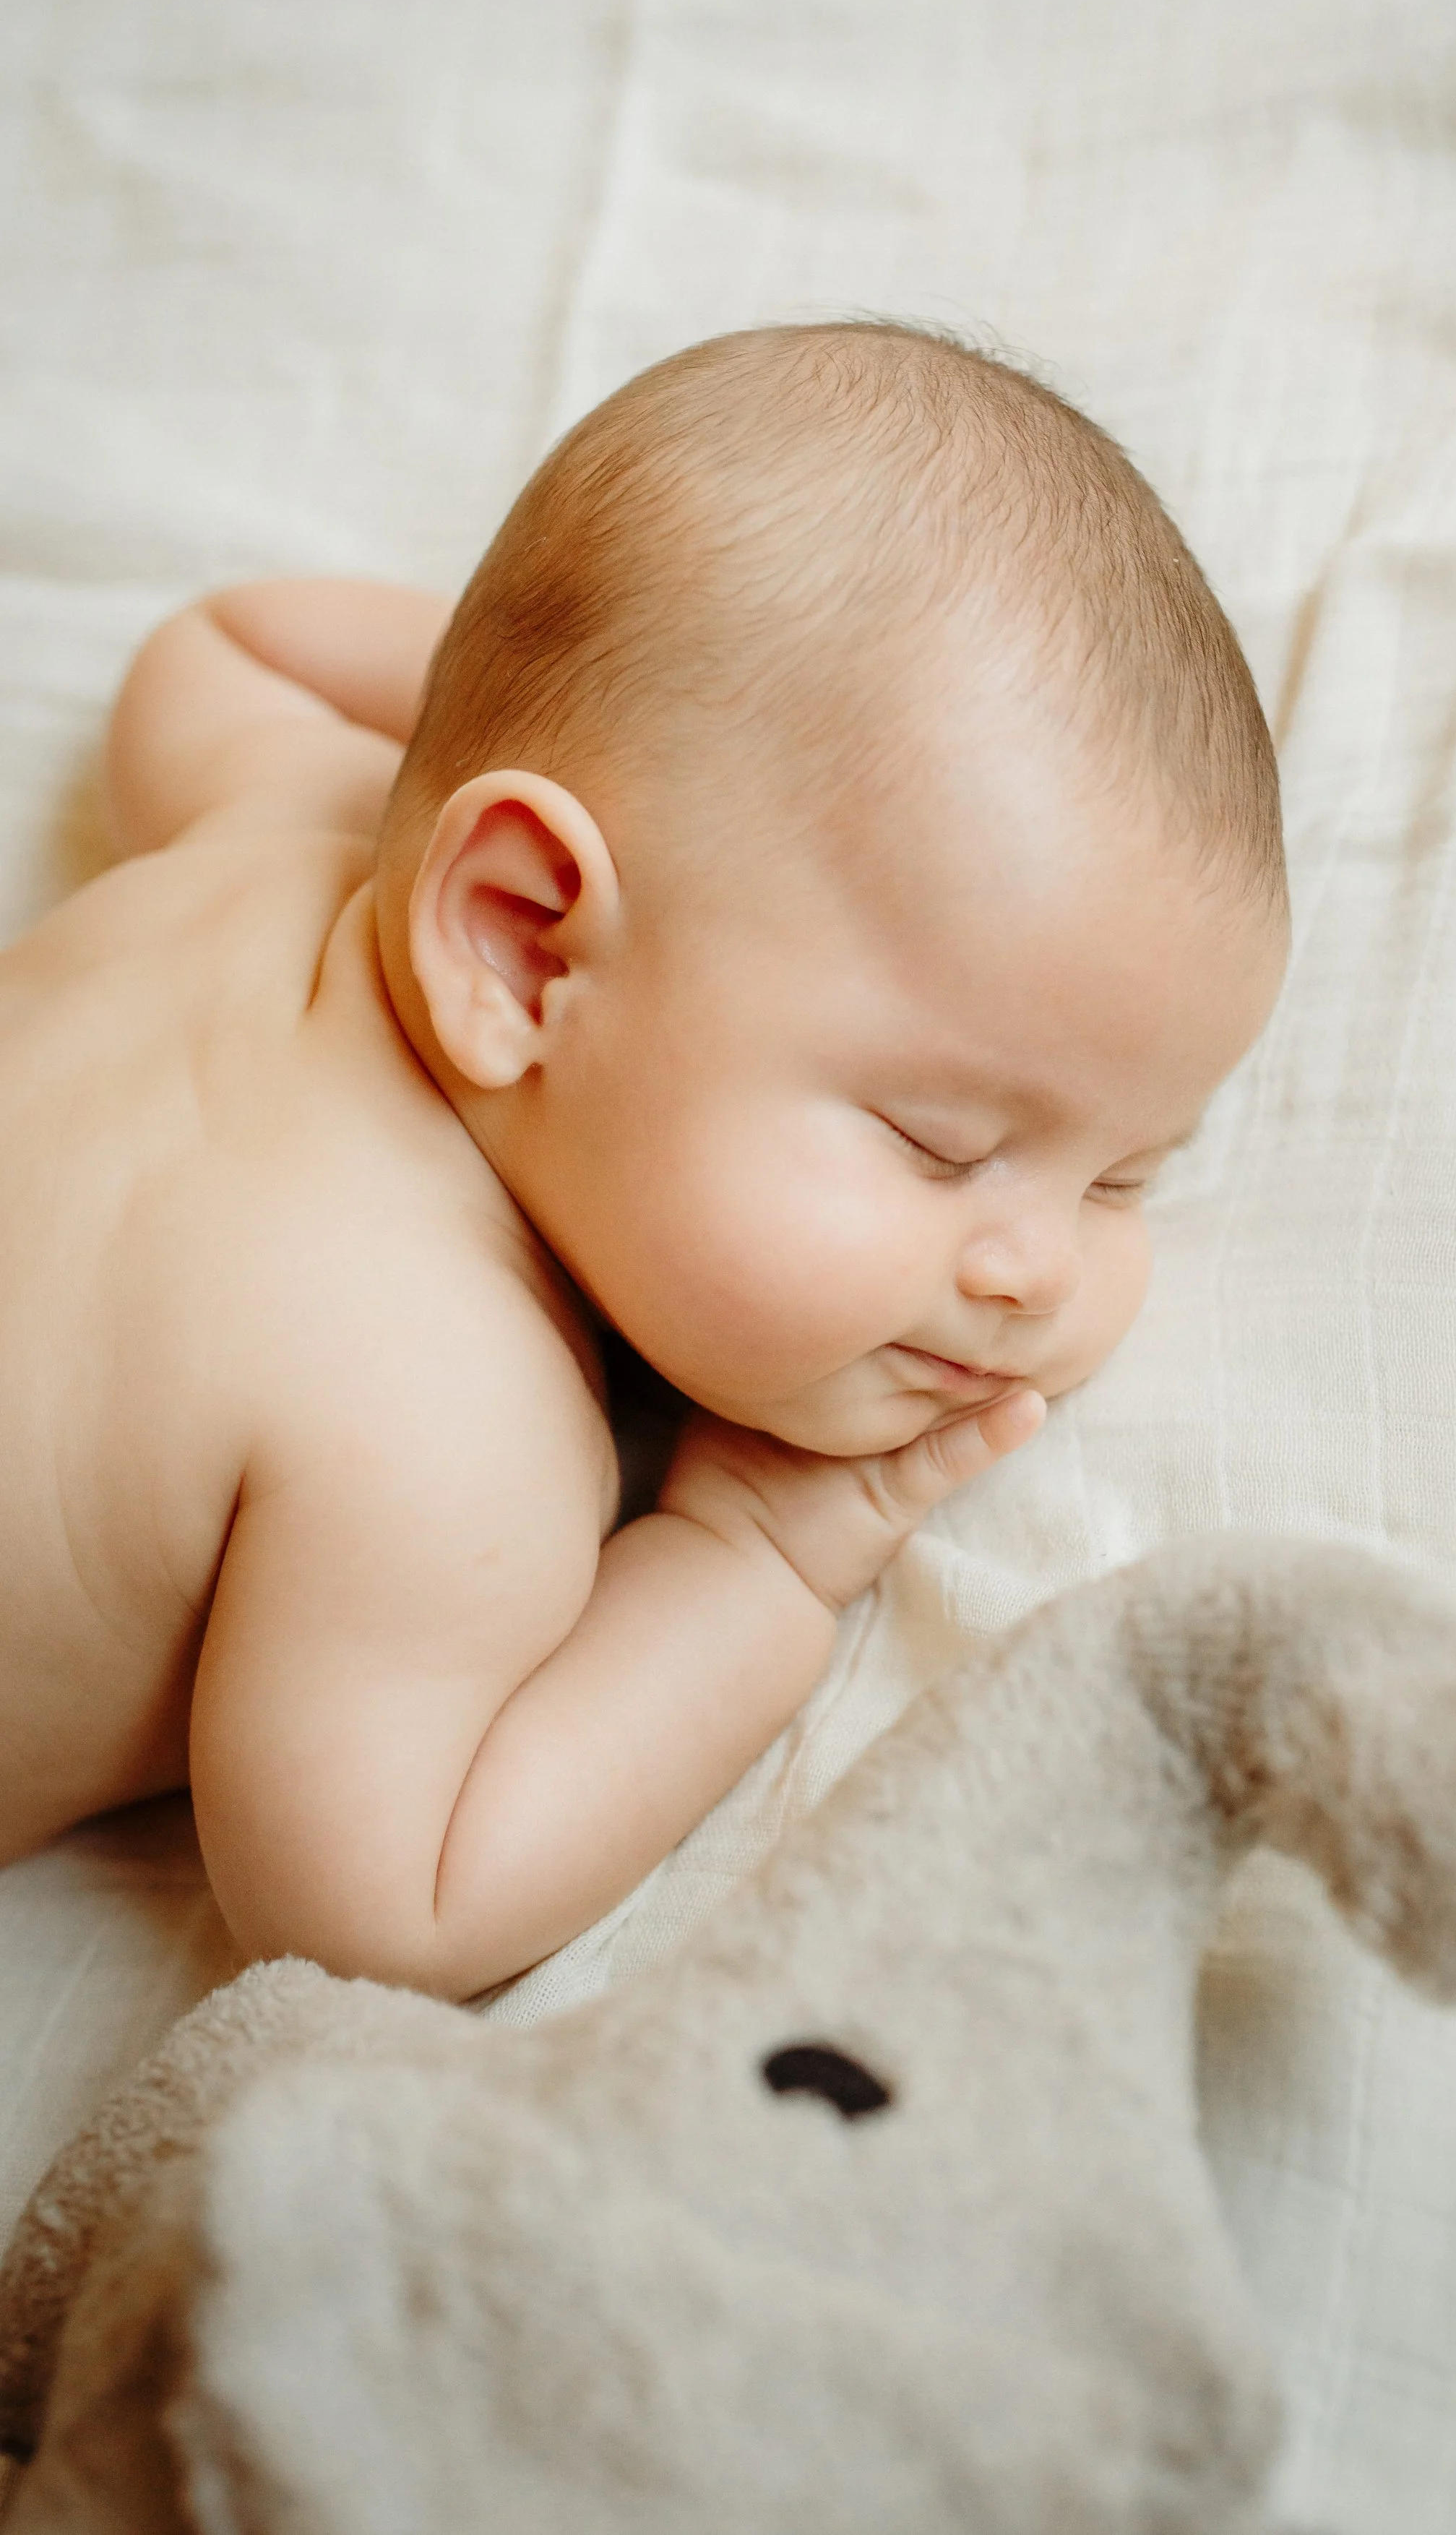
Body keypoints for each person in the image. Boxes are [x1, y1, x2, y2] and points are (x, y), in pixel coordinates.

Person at [0, 324, 1289, 1999]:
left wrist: (551, 703)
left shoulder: (287, 816)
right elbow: (384, 1904)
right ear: (527, 946)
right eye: (937, 1142)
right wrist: (745, 1561)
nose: (1042, 1271)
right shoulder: (434, 1412)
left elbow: (227, 640)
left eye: (1126, 1174)